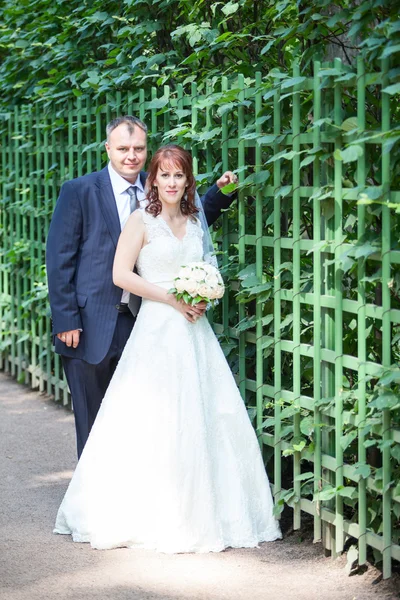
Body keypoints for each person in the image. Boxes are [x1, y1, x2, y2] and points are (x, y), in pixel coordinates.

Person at [53, 144, 282, 553]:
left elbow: (207, 267)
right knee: (151, 416)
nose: (172, 182)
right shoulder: (141, 221)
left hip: (195, 332)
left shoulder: (195, 222)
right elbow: (121, 274)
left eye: (180, 175)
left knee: (206, 413)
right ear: (153, 179)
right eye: (165, 175)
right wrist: (170, 298)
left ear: (187, 180)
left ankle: (210, 511)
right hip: (156, 330)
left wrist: (203, 296)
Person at [46, 116, 237, 458]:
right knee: (93, 421)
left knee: (136, 419)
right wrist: (66, 319)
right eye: (123, 148)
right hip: (89, 323)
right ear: (108, 149)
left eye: (138, 148)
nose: (131, 155)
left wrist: (219, 194)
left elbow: (186, 221)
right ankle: (95, 503)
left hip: (141, 322)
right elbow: (59, 257)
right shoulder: (80, 191)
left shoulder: (154, 188)